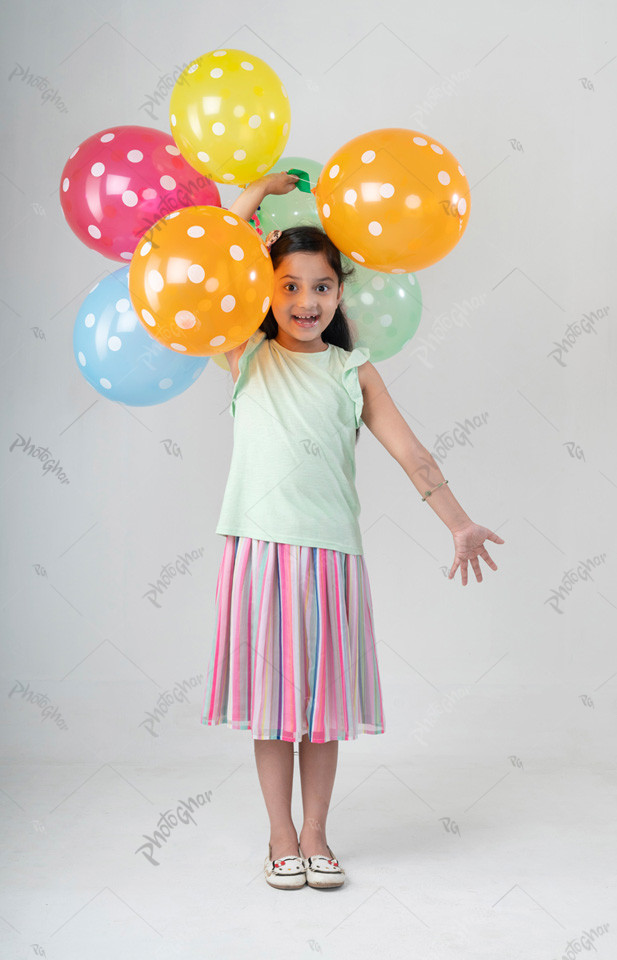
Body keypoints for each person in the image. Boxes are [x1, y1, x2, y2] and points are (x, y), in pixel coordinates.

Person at [201, 171, 505, 890]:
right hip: (261, 551)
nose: (306, 302)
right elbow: (217, 254)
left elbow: (410, 452)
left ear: (341, 293)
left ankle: (316, 835)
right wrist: (252, 197)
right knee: (274, 712)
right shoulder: (244, 355)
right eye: (289, 285)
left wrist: (457, 522)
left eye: (321, 287)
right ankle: (281, 838)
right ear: (266, 287)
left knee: (320, 710)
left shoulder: (352, 371)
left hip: (332, 556)